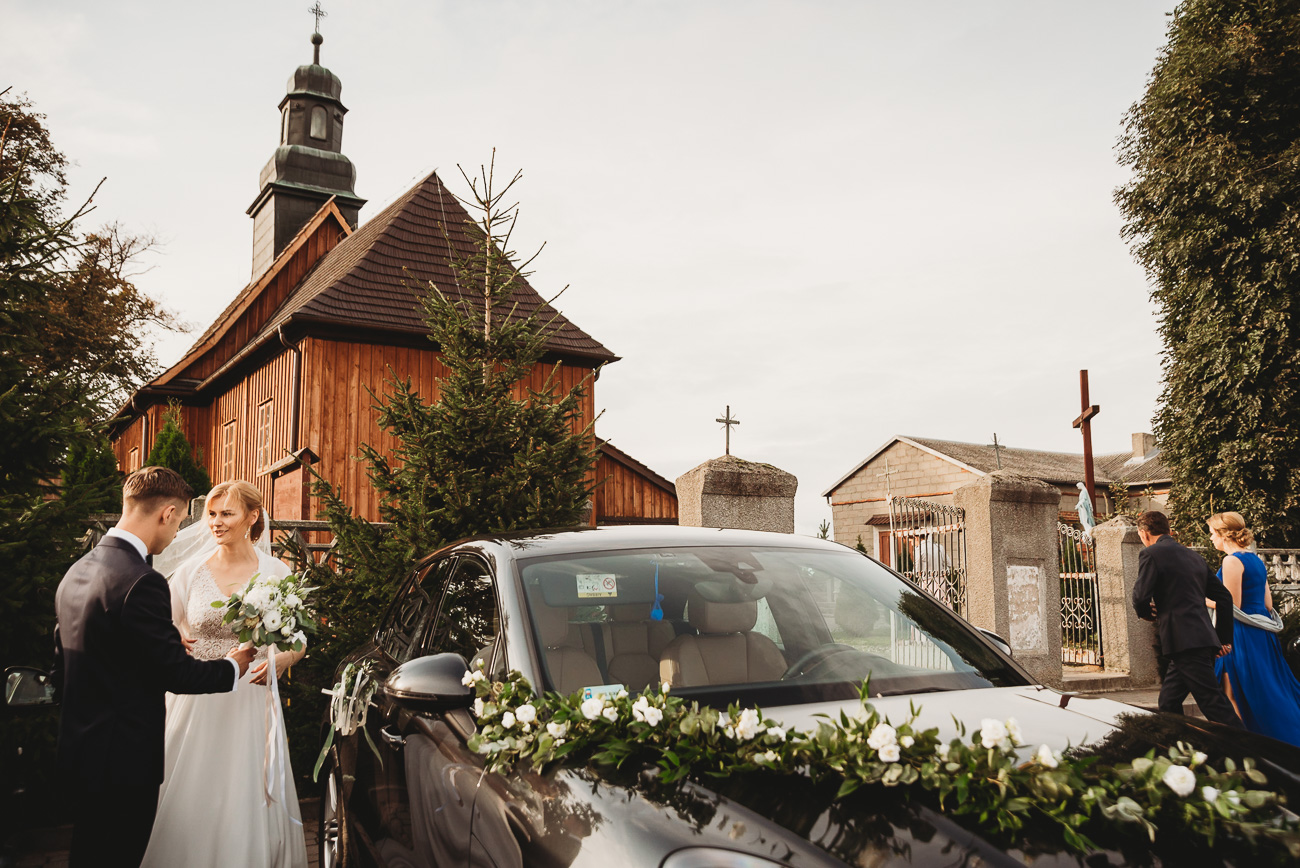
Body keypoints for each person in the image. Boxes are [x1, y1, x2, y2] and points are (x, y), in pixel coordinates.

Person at [52, 467, 256, 868]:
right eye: (179, 522)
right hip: (123, 764)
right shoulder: (141, 581)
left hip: (83, 752)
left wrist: (157, 641)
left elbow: (71, 660)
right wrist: (233, 666)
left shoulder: (79, 570)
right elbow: (177, 675)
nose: (177, 534)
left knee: (88, 854)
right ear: (166, 514)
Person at [141, 480, 309, 868]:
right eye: (211, 514)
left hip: (250, 701)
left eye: (226, 514)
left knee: (243, 793)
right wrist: (176, 642)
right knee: (189, 788)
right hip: (195, 698)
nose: (215, 523)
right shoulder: (188, 572)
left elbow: (298, 638)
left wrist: (285, 660)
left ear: (252, 517)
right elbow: (159, 628)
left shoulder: (276, 571)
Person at [1131, 510, 1243, 728]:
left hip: (1185, 642)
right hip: (1197, 640)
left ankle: (1254, 755)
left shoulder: (1151, 554)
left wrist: (1145, 612)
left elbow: (1140, 596)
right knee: (1168, 701)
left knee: (1213, 704)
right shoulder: (1194, 556)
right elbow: (1224, 597)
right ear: (1169, 531)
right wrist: (1222, 638)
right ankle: (1180, 747)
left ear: (1144, 534)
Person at [1207, 511, 1300, 745]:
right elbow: (1268, 604)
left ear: (1223, 534)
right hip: (1262, 633)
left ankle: (1244, 746)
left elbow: (1232, 606)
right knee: (1268, 689)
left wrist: (1197, 599)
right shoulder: (1255, 560)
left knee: (1231, 692)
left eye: (1211, 533)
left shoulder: (1231, 561)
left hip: (1240, 634)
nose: (1210, 539)